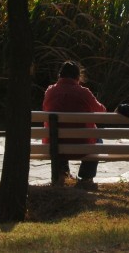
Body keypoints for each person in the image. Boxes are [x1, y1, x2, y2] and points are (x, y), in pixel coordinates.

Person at [42, 60, 107, 188]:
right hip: (82, 146)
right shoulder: (84, 92)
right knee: (97, 140)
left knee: (58, 135)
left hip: (55, 146)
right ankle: (85, 177)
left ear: (60, 75)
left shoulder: (50, 91)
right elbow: (102, 111)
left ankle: (61, 173)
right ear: (78, 77)